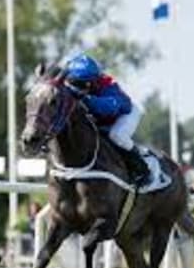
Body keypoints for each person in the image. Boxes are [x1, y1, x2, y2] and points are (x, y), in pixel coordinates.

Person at [60, 54, 150, 187]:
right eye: (70, 81)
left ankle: (142, 168)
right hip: (103, 120)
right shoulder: (76, 82)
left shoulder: (108, 85)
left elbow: (108, 107)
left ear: (89, 82)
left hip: (125, 114)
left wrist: (85, 99)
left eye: (76, 83)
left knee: (116, 136)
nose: (71, 86)